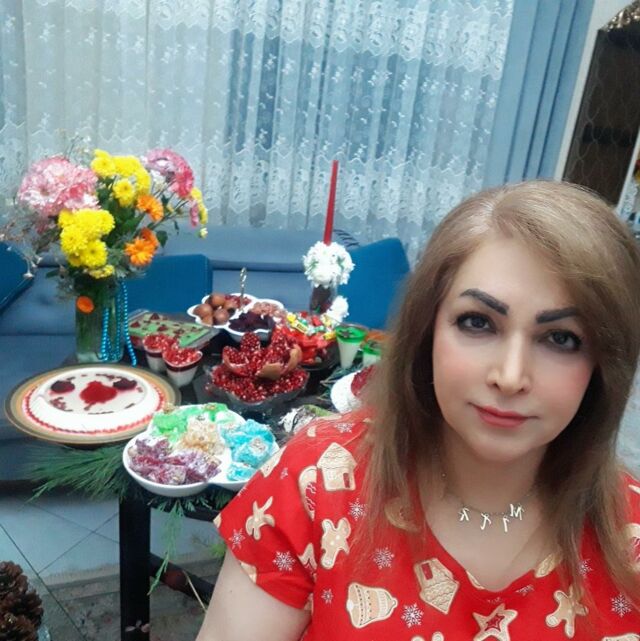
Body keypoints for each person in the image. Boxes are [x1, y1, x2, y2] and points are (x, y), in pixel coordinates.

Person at [196, 181, 640, 640]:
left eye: (561, 338)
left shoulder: (633, 540)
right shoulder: (318, 483)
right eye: (477, 322)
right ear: (427, 331)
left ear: (605, 364)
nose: (510, 377)